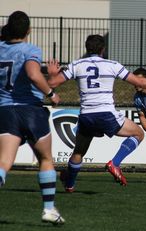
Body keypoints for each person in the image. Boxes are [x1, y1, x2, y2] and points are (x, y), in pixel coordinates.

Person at [47, 34, 146, 190]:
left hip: (86, 116)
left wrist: (52, 74)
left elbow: (52, 83)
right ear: (103, 49)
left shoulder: (77, 65)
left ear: (86, 48)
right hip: (105, 113)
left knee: (79, 151)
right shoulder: (112, 65)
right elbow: (140, 82)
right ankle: (115, 163)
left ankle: (69, 184)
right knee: (138, 134)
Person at [0, 11, 65, 225]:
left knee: (4, 162)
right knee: (45, 159)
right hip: (30, 110)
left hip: (6, 111)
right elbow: (32, 74)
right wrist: (51, 94)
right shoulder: (30, 49)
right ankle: (48, 209)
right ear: (29, 30)